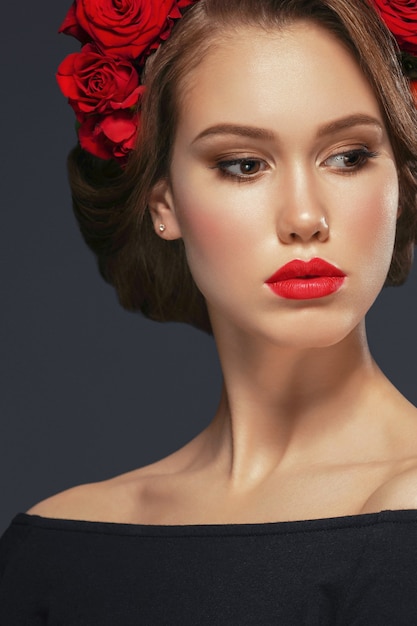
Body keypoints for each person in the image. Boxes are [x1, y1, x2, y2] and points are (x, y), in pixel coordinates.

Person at [1, 0, 417, 622]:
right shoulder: (55, 544)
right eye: (244, 165)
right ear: (162, 202)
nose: (305, 218)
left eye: (348, 156)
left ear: (404, 179)